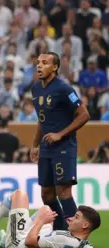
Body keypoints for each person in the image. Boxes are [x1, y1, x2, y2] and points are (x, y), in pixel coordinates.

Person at [30, 53, 90, 230]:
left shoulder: (65, 89)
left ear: (54, 67)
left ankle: (75, 236)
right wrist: (35, 145)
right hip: (46, 148)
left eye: (45, 63)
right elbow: (42, 119)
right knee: (46, 195)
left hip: (64, 147)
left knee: (63, 191)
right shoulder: (36, 90)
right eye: (38, 63)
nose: (39, 66)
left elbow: (84, 115)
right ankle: (60, 230)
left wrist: (60, 134)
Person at [0, 189, 99, 248]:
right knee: (46, 210)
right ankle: (7, 235)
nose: (71, 218)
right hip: (38, 242)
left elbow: (29, 241)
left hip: (19, 247)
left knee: (19, 195)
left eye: (76, 217)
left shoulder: (63, 240)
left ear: (85, 224)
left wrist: (40, 221)